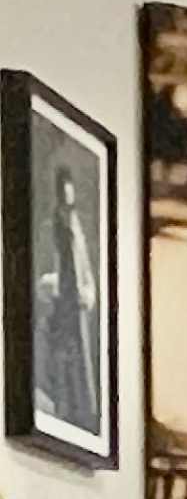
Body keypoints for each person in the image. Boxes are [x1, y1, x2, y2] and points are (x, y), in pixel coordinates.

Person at [34, 165, 99, 434]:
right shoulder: (48, 229)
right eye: (64, 201)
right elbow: (40, 273)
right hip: (58, 309)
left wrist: (87, 294)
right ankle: (61, 409)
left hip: (76, 309)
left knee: (78, 364)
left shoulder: (79, 236)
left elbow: (87, 277)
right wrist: (54, 285)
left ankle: (80, 414)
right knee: (58, 361)